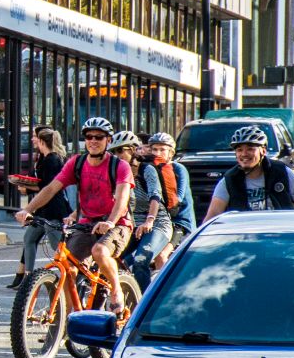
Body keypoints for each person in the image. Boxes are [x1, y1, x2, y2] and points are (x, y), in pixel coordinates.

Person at [14, 116, 133, 313]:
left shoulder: (119, 166)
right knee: (67, 267)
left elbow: (122, 199)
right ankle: (69, 319)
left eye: (99, 137)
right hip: (86, 223)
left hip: (117, 223)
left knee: (99, 251)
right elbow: (51, 189)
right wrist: (28, 210)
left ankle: (117, 290)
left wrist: (110, 222)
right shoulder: (76, 163)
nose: (93, 141)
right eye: (89, 137)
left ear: (108, 141)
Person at [124, 132, 193, 289]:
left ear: (171, 153)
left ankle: (165, 293)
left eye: (162, 149)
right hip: (157, 219)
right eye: (154, 149)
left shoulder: (177, 168)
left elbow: (178, 199)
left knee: (161, 256)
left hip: (179, 222)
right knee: (128, 259)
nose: (157, 153)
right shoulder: (149, 168)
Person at [204, 124, 294, 219]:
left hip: (281, 236)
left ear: (263, 151)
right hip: (245, 237)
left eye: (250, 149)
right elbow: (212, 217)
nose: (244, 154)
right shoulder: (229, 180)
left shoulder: (282, 173)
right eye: (239, 150)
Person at [12, 126, 69, 289]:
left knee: (56, 246)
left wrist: (27, 187)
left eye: (35, 137)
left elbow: (49, 187)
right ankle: (28, 279)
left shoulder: (53, 159)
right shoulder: (44, 158)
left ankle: (72, 273)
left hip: (54, 209)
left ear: (42, 141)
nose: (32, 140)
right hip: (42, 210)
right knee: (29, 239)